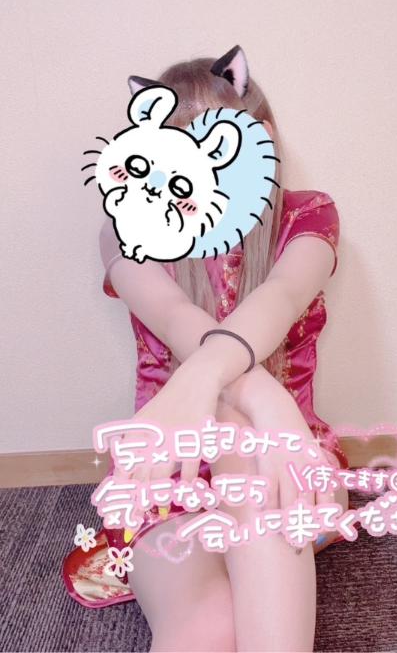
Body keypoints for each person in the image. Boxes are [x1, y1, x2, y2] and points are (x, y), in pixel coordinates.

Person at [63, 44, 359, 652]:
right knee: (207, 626)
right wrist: (266, 398)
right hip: (172, 480)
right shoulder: (128, 234)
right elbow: (177, 318)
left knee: (240, 441)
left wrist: (222, 392)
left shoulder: (307, 216)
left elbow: (280, 295)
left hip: (284, 465)